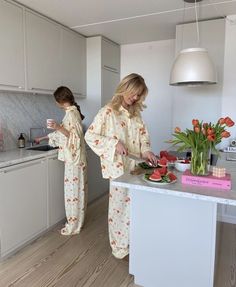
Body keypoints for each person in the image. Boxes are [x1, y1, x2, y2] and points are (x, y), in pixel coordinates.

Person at [85, 73, 157, 259]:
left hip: (137, 166)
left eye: (139, 95)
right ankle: (120, 248)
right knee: (119, 208)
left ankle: (134, 242)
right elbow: (90, 136)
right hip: (117, 168)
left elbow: (143, 136)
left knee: (135, 205)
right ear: (125, 89)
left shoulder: (136, 114)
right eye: (134, 94)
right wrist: (113, 144)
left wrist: (147, 151)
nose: (136, 98)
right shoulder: (107, 112)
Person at [35, 86, 87, 235]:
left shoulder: (71, 114)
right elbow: (64, 134)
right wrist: (44, 137)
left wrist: (57, 126)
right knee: (76, 191)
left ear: (60, 100)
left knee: (73, 193)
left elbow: (73, 137)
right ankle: (76, 222)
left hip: (74, 160)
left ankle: (73, 225)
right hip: (75, 159)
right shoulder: (71, 113)